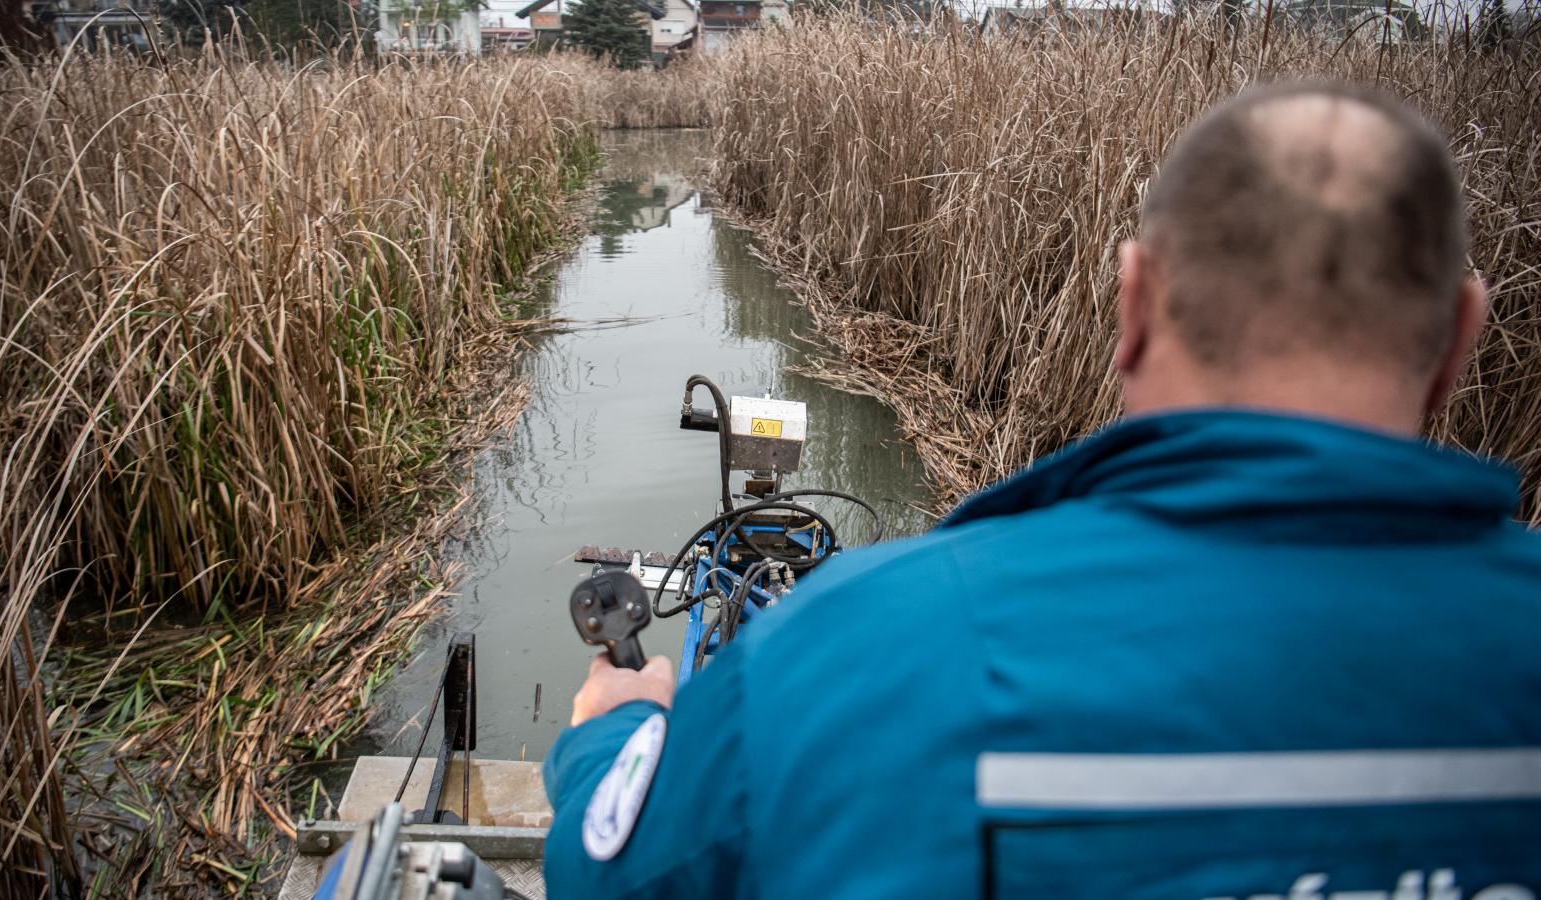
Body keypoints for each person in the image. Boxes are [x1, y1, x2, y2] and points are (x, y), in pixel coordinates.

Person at [541, 82, 1541, 899]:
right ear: (1460, 337)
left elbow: (604, 873)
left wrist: (619, 727)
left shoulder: (848, 647)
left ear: (1133, 303)